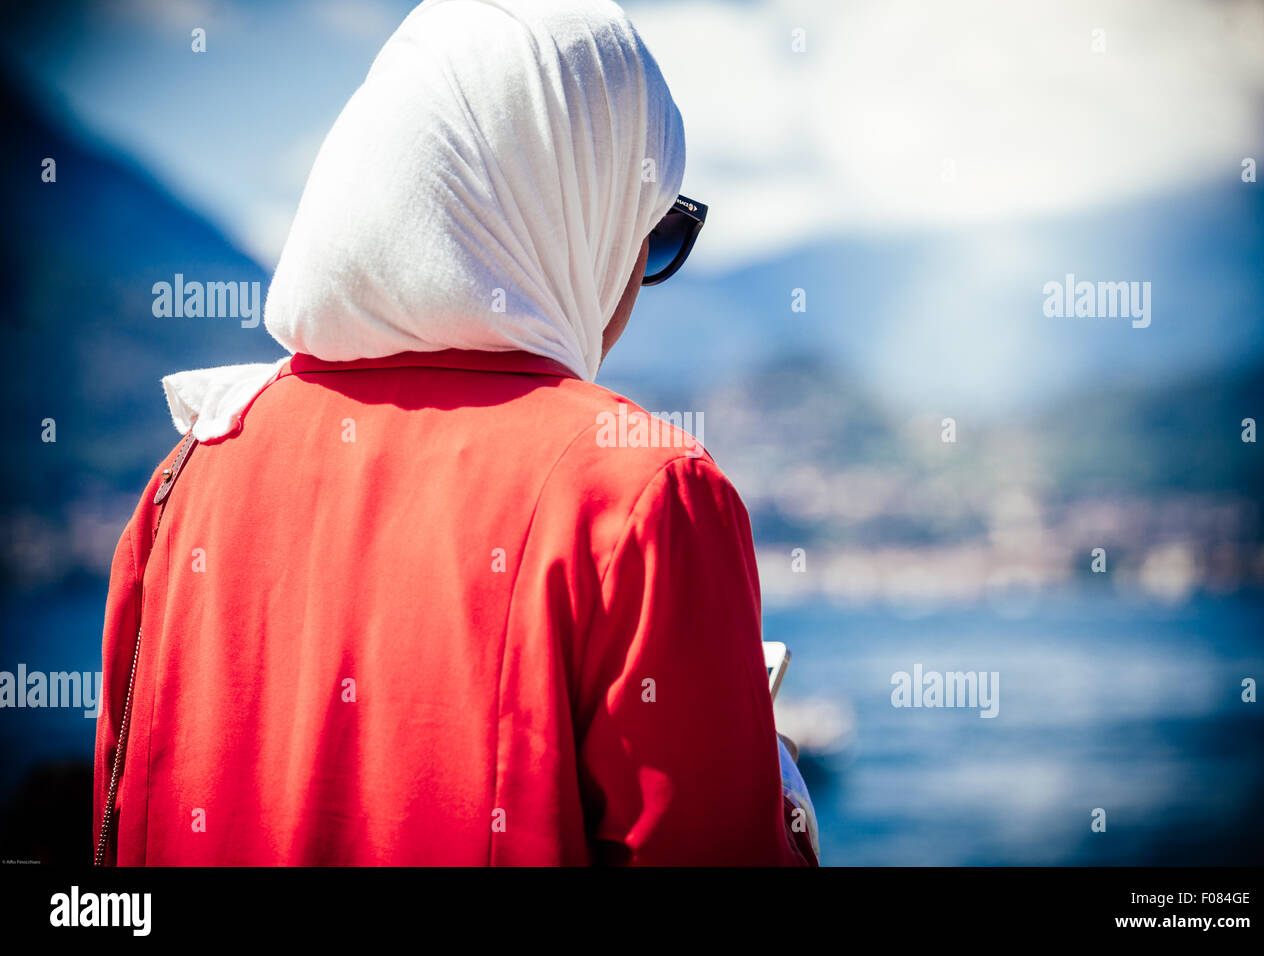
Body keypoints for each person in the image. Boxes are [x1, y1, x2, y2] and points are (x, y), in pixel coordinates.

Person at [93, 0, 817, 866]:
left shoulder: (184, 484)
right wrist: (779, 803)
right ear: (574, 219)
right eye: (652, 233)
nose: (633, 281)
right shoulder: (641, 495)